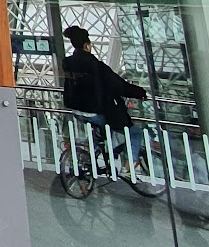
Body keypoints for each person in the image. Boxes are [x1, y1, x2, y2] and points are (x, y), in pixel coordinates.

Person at [61, 25, 148, 164]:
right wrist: (140, 92)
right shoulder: (96, 65)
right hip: (94, 112)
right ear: (87, 46)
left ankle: (92, 155)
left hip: (76, 111)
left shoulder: (68, 63)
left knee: (103, 131)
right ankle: (129, 165)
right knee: (134, 132)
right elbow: (118, 85)